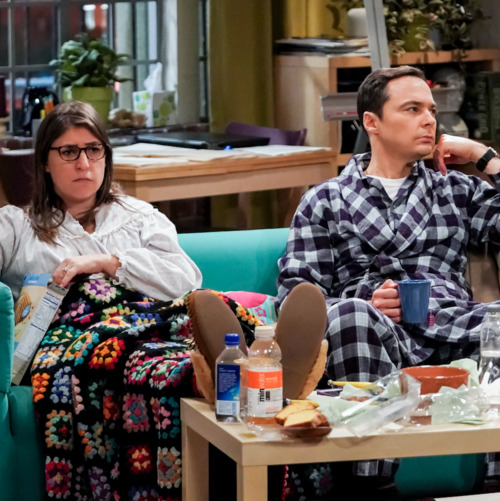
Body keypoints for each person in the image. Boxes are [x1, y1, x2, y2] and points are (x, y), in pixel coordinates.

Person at [276, 65, 500, 500]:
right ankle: (370, 484)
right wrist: (367, 297)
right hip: (372, 337)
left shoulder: (455, 190)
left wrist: (483, 156)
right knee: (351, 316)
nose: (429, 120)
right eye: (412, 109)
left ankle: (493, 483)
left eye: (431, 110)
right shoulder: (325, 200)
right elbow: (297, 302)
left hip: (451, 328)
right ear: (372, 122)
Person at [0, 101, 202, 301]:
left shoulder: (140, 219)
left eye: (94, 150)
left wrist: (107, 263)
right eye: (68, 152)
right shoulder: (15, 228)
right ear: (45, 161)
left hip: (144, 330)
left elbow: (187, 285)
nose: (84, 164)